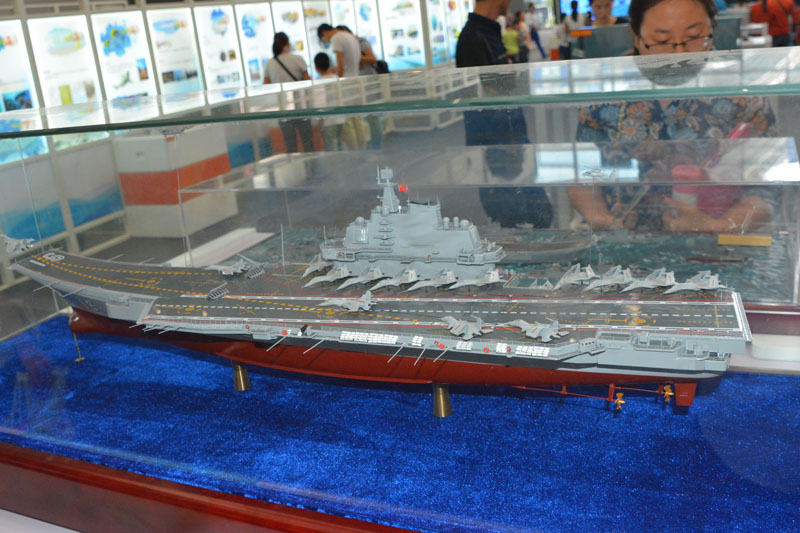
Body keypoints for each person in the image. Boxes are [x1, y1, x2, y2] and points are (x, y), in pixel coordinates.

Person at [571, 0, 775, 233]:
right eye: (662, 41)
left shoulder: (743, 95)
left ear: (712, 28)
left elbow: (765, 187)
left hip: (719, 245)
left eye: (694, 37)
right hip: (625, 240)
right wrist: (599, 216)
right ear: (636, 37)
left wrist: (717, 226)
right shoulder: (606, 92)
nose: (680, 54)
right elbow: (583, 170)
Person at [456, 0, 554, 229]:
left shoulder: (486, 32)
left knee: (538, 217)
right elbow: (486, 101)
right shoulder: (474, 38)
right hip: (500, 153)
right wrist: (505, 155)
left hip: (509, 148)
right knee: (525, 220)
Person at [264, 33, 313, 153]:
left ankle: (293, 164)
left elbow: (266, 86)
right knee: (307, 142)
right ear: (287, 43)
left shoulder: (269, 63)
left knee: (290, 144)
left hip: (283, 109)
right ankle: (311, 164)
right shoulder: (298, 59)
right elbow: (307, 82)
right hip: (301, 106)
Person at [312, 53, 345, 151]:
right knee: (340, 146)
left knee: (331, 149)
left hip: (328, 121)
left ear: (316, 67)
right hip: (341, 119)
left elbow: (320, 104)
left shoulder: (319, 82)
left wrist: (320, 123)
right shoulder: (336, 78)